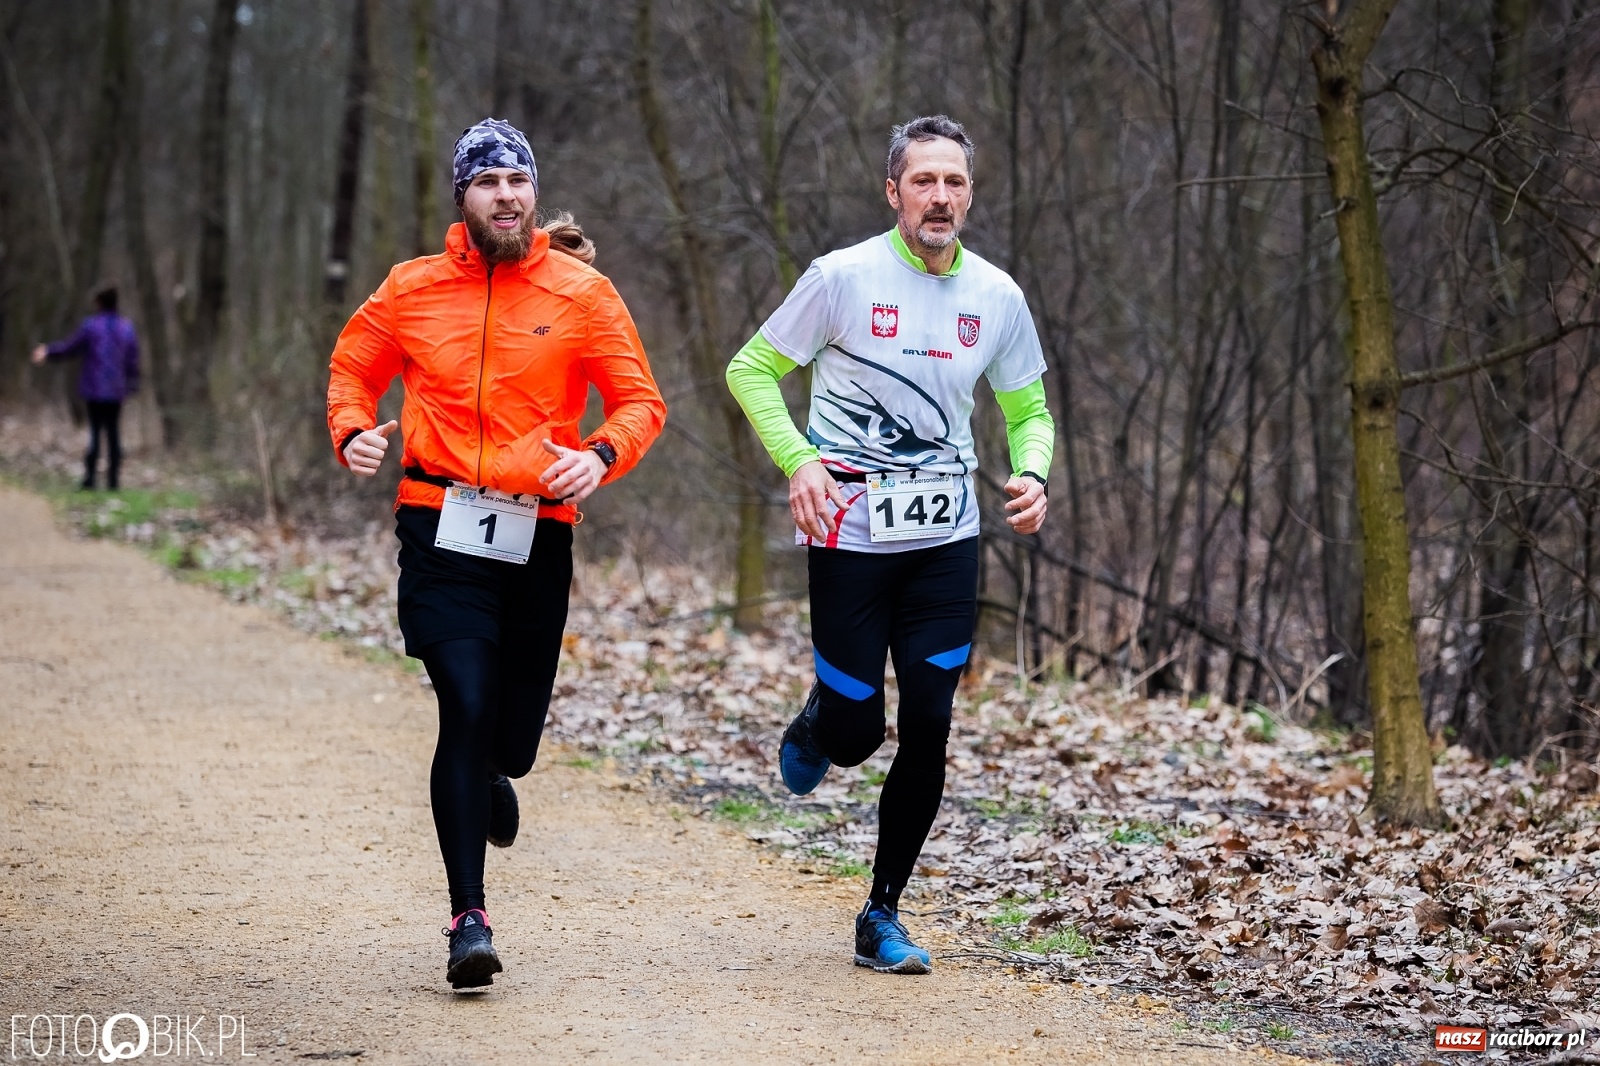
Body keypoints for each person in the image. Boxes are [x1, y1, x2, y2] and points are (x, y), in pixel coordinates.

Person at [326, 118, 666, 991]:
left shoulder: (583, 293)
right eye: (488, 181)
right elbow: (354, 367)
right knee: (466, 702)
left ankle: (491, 772)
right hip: (437, 523)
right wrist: (352, 428)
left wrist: (600, 455)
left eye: (518, 180)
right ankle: (468, 920)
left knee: (509, 743)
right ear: (463, 197)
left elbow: (639, 401)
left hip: (537, 532)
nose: (506, 194)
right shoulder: (411, 288)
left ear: (534, 194)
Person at [725, 114, 1055, 974]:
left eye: (954, 182)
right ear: (893, 192)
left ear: (969, 195)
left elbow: (1028, 410)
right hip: (850, 536)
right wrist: (800, 460)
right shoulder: (841, 278)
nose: (939, 197)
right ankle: (822, 718)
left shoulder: (998, 296)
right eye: (923, 181)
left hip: (946, 540)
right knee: (855, 734)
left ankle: (882, 911)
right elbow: (750, 369)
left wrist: (1033, 472)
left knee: (930, 725)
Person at [32, 287, 141, 491]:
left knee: (95, 433)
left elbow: (70, 348)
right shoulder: (126, 328)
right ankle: (113, 481)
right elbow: (133, 360)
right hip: (116, 390)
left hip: (94, 389)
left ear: (98, 302)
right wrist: (132, 385)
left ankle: (90, 479)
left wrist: (48, 352)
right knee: (113, 433)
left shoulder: (91, 326)